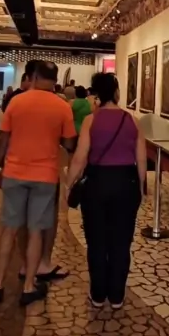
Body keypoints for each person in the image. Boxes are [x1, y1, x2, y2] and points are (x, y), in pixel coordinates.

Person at [0, 60, 77, 307]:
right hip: (45, 176)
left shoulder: (17, 102)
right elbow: (69, 143)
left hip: (14, 173)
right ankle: (29, 287)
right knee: (37, 230)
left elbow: (2, 139)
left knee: (9, 228)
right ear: (55, 80)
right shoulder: (62, 106)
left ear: (35, 76)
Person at [66, 72, 146, 309]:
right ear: (117, 92)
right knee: (122, 241)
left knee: (96, 240)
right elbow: (141, 159)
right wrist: (140, 188)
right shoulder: (133, 120)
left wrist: (69, 184)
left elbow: (80, 157)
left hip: (97, 184)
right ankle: (117, 295)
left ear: (97, 94)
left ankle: (98, 294)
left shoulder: (91, 120)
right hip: (126, 184)